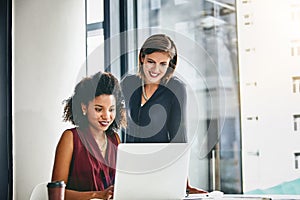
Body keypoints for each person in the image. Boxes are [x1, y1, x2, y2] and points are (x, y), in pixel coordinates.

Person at [121, 34, 207, 194]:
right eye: (151, 62)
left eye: (163, 64)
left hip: (162, 169)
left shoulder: (176, 88)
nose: (156, 70)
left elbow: (178, 137)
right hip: (130, 169)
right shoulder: (128, 83)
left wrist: (184, 182)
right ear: (142, 58)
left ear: (170, 65)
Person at [51, 71, 126, 200]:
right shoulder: (70, 138)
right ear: (84, 107)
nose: (106, 116)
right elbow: (56, 194)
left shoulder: (115, 139)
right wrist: (97, 195)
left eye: (111, 109)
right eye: (98, 109)